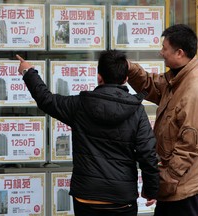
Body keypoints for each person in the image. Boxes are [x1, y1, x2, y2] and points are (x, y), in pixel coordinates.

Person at [16, 50, 159, 216]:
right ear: (126, 79)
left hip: (87, 196)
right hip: (121, 199)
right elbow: (147, 152)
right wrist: (151, 190)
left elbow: (46, 100)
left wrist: (28, 72)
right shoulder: (137, 111)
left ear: (99, 77)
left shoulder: (80, 105)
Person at [126, 24, 198, 216]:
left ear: (179, 53)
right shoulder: (178, 77)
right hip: (175, 185)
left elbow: (189, 147)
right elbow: (153, 85)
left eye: (165, 48)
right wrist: (130, 69)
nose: (161, 52)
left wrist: (162, 182)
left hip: (183, 187)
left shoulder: (195, 91)